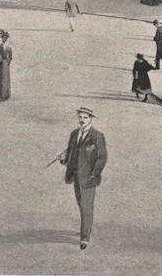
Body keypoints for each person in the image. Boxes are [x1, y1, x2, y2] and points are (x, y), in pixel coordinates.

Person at [57, 107, 107, 250]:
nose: (82, 120)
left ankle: (85, 237)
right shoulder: (74, 134)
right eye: (80, 117)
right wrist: (63, 160)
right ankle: (85, 226)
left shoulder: (97, 136)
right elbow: (71, 154)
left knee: (86, 207)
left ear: (91, 118)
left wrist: (94, 173)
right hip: (76, 175)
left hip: (89, 178)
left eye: (85, 117)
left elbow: (102, 158)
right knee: (81, 204)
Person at [0, 30, 12, 101]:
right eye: (3, 38)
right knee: (1, 78)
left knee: (6, 79)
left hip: (6, 64)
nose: (4, 39)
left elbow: (10, 56)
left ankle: (6, 94)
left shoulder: (8, 47)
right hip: (1, 64)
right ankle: (0, 93)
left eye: (6, 38)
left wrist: (8, 62)